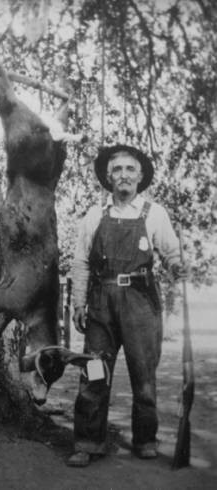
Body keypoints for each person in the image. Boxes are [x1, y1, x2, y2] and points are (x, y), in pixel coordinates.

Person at [67, 144, 187, 467]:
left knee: (143, 374)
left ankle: (145, 439)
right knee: (93, 371)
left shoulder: (154, 213)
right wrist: (79, 303)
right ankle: (87, 441)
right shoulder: (95, 214)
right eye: (117, 169)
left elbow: (172, 253)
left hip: (141, 304)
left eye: (130, 169)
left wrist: (177, 268)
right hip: (101, 305)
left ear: (140, 176)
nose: (123, 175)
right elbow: (80, 262)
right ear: (108, 176)